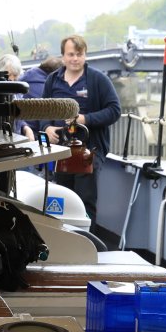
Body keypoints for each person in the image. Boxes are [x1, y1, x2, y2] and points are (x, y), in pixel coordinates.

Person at [41, 34, 121, 223]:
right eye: (71, 54)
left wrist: (85, 119)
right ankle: (65, 238)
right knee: (63, 200)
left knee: (85, 201)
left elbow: (114, 110)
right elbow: (43, 109)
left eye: (79, 54)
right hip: (60, 151)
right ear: (63, 56)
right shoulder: (53, 80)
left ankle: (86, 238)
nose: (75, 59)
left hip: (89, 151)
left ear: (85, 55)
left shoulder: (98, 80)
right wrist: (46, 127)